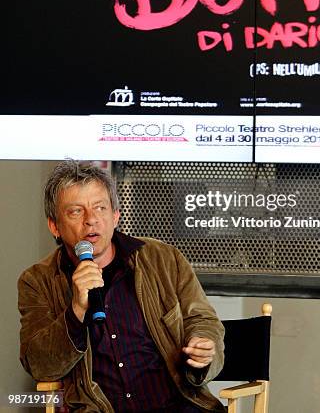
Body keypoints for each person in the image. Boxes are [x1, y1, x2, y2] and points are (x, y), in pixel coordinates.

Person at [18, 160, 225, 412]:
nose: (91, 220)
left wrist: (201, 348)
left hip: (175, 404)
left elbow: (202, 320)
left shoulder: (164, 258)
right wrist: (76, 310)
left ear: (115, 216)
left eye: (100, 208)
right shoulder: (36, 281)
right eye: (76, 211)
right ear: (55, 226)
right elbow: (40, 365)